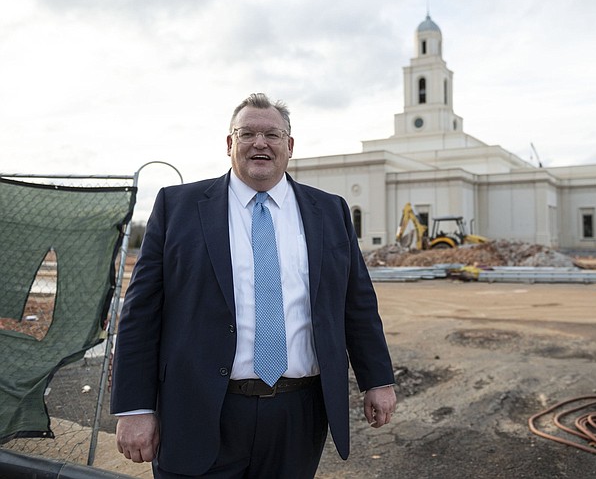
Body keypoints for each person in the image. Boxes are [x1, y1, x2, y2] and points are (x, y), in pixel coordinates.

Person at [111, 93, 397, 478]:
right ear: (230, 144)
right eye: (247, 133)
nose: (260, 143)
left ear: (289, 146)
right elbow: (141, 313)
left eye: (272, 135)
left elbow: (356, 303)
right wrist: (135, 408)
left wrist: (377, 379)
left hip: (298, 415)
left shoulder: (329, 211)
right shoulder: (176, 207)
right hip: (199, 411)